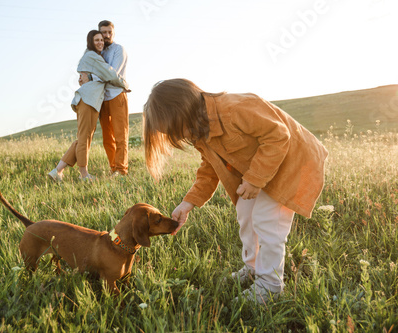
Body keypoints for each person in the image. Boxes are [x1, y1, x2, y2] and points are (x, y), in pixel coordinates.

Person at [143, 79, 328, 305]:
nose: (181, 137)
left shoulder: (234, 109)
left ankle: (270, 285)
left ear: (184, 109)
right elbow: (209, 168)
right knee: (246, 213)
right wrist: (188, 203)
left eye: (176, 129)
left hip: (292, 162)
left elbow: (278, 136)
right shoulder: (200, 129)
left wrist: (253, 179)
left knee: (266, 220)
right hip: (261, 170)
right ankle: (252, 268)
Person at [47, 30, 128, 182]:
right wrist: (125, 84)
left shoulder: (94, 56)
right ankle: (84, 175)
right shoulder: (92, 56)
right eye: (96, 40)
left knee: (82, 138)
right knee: (84, 138)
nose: (100, 42)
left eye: (101, 40)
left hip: (89, 100)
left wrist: (88, 77)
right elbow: (110, 74)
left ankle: (57, 170)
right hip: (89, 100)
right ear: (90, 42)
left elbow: (92, 74)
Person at [98, 20, 130, 176]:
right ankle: (113, 169)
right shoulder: (97, 51)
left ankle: (122, 170)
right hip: (101, 98)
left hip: (117, 94)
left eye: (110, 32)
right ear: (99, 33)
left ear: (113, 33)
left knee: (120, 135)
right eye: (104, 32)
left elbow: (112, 74)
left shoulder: (119, 50)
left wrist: (96, 74)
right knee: (106, 137)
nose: (107, 35)